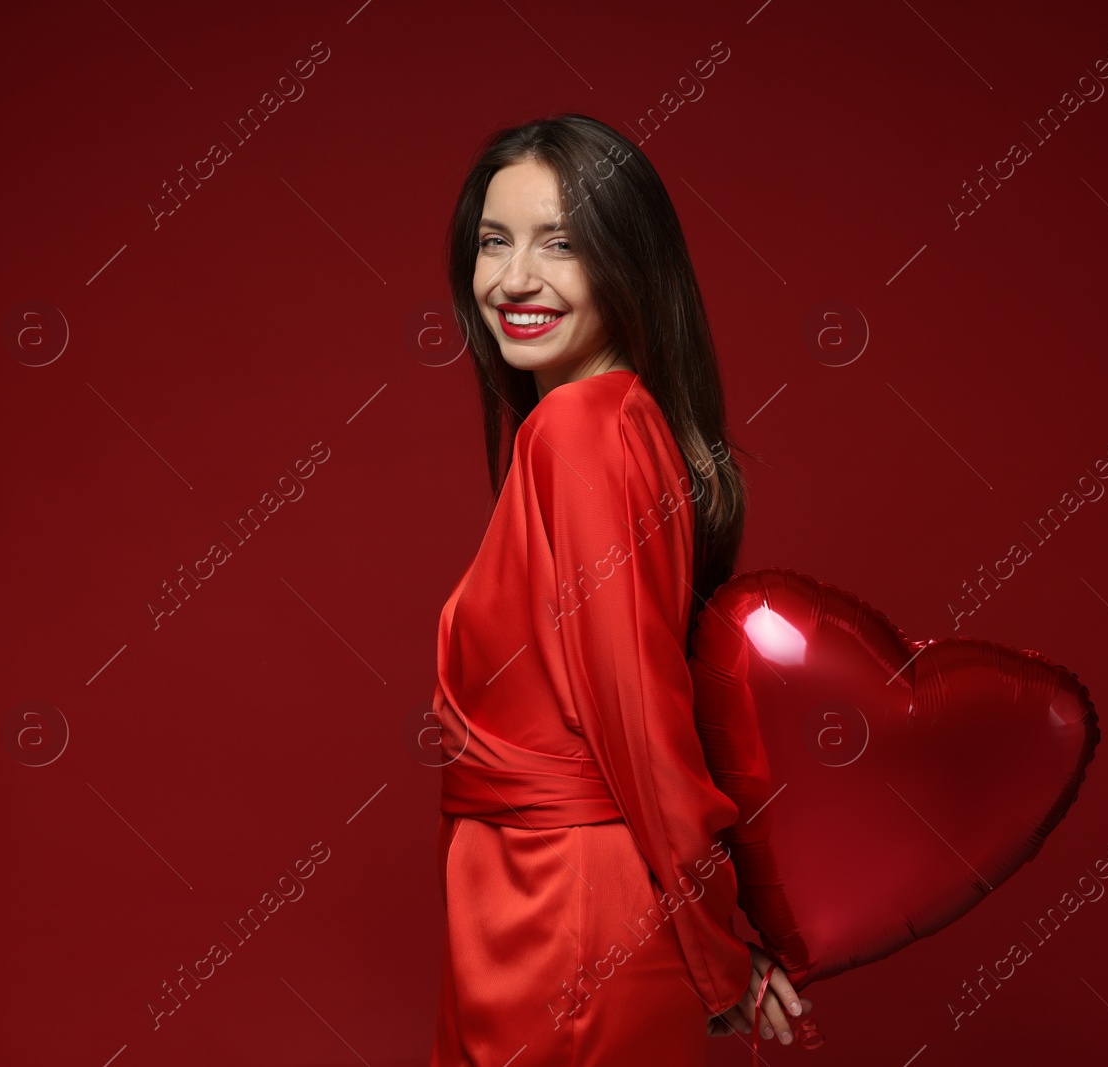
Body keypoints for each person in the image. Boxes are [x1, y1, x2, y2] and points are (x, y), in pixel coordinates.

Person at [428, 114, 812, 1066]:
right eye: (493, 241)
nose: (514, 279)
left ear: (627, 259)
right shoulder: (623, 420)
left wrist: (716, 944)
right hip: (545, 901)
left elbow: (641, 717)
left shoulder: (580, 433)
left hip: (565, 914)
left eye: (561, 243)